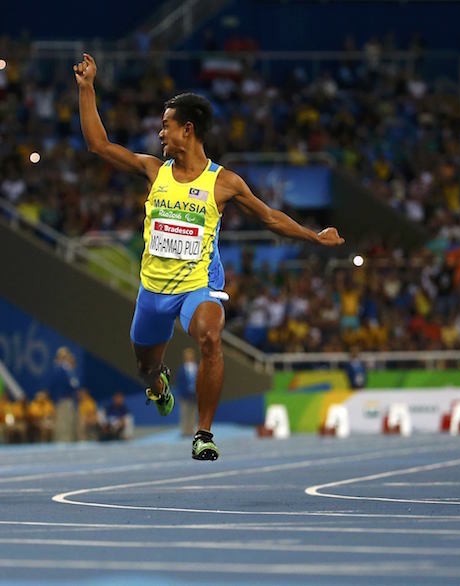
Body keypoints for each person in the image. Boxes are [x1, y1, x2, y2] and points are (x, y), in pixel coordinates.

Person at [74, 53, 344, 460]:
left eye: (166, 125)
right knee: (146, 368)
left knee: (211, 337)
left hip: (197, 287)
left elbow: (270, 217)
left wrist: (314, 236)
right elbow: (98, 144)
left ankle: (203, 433)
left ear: (188, 129)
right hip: (153, 290)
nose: (159, 132)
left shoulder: (224, 183)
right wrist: (86, 87)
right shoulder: (153, 170)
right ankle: (158, 386)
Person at [176, 347, 199, 437]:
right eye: (187, 356)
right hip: (185, 394)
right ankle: (185, 430)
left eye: (191, 356)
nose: (189, 357)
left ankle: (192, 428)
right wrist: (180, 394)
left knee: (194, 412)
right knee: (184, 412)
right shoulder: (182, 369)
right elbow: (180, 383)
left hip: (195, 394)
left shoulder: (196, 367)